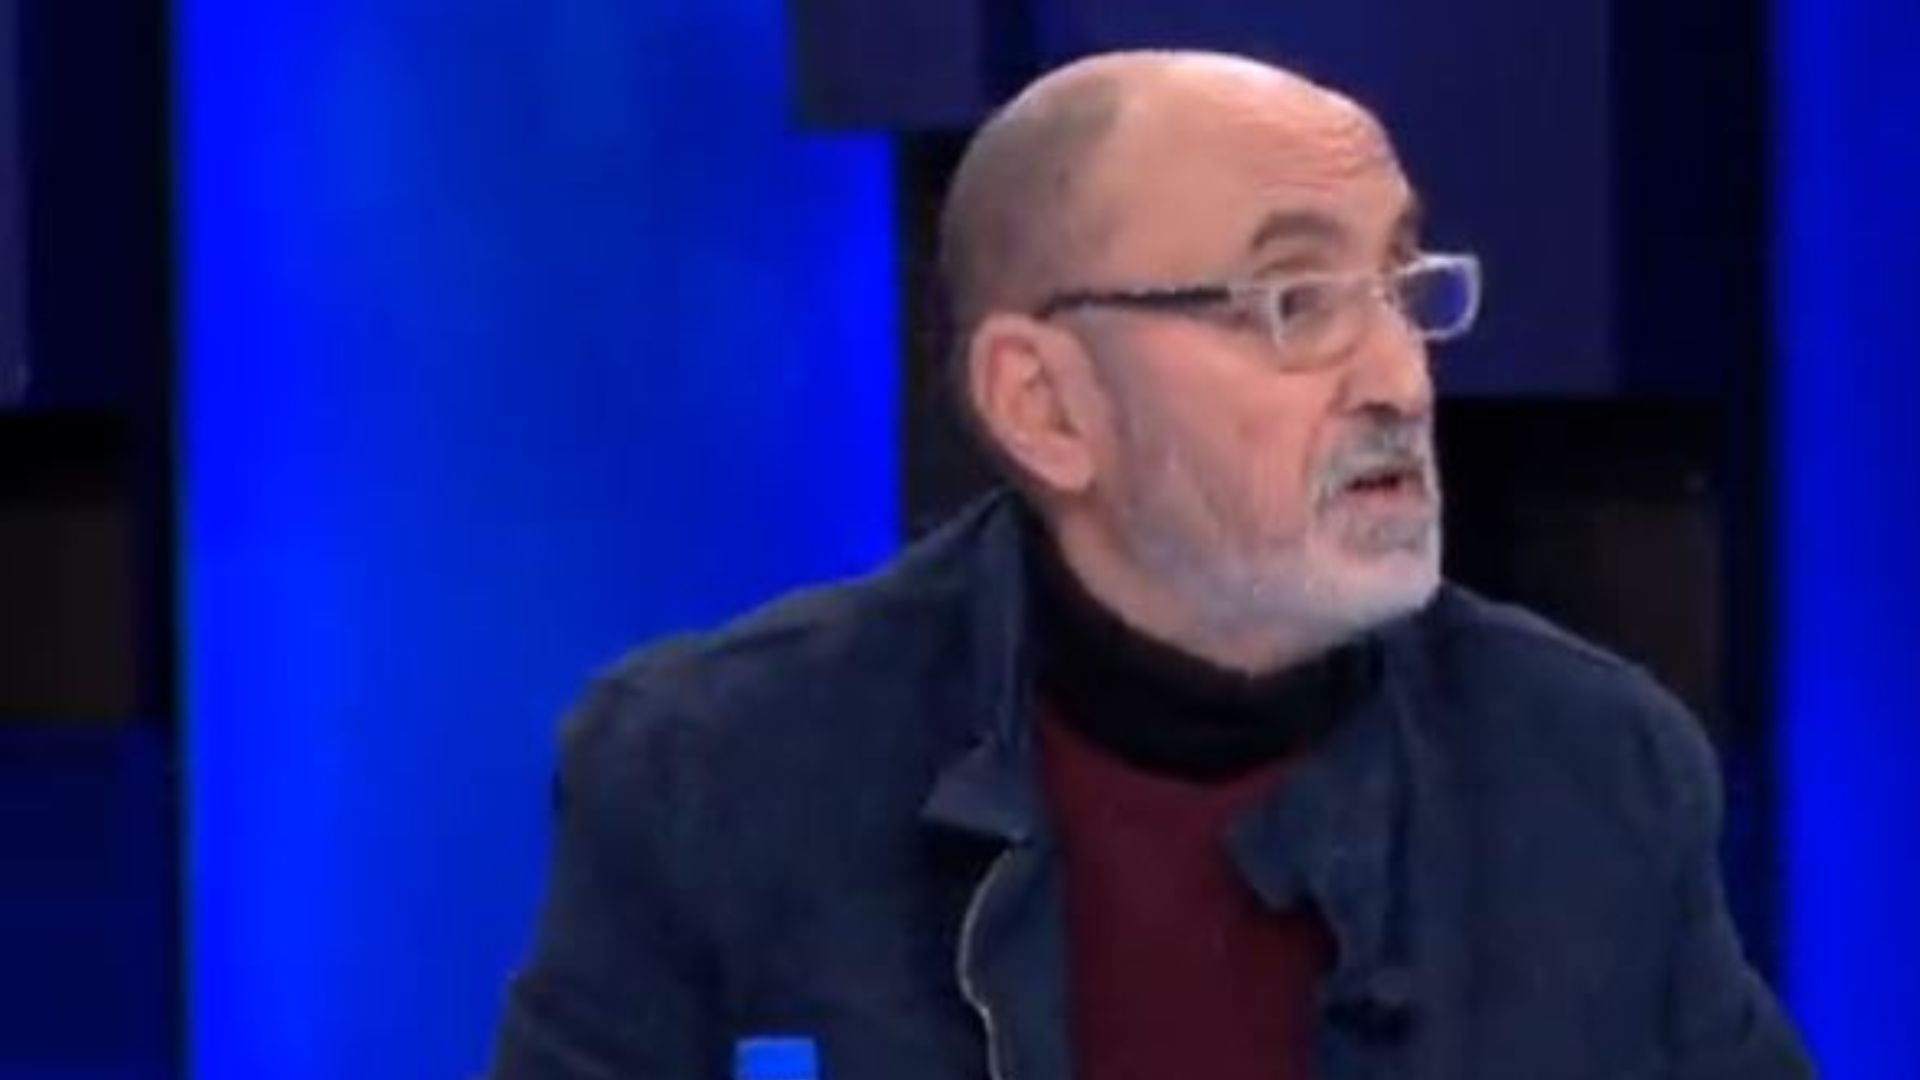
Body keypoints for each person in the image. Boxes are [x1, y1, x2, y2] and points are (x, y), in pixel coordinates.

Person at [487, 50, 1809, 1080]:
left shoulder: (1590, 766)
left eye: (1404, 286)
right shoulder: (713, 774)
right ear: (1046, 405)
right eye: (1294, 302)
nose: (1400, 379)